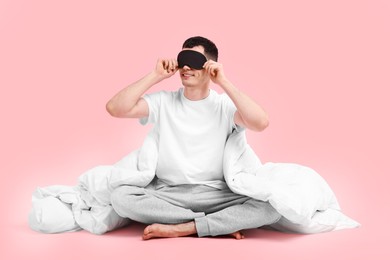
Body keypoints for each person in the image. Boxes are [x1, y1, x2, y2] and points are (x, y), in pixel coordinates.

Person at [106, 36, 281, 240]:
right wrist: (155, 75)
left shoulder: (223, 106)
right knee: (120, 198)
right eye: (183, 59)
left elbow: (261, 122)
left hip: (216, 194)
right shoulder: (164, 102)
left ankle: (185, 227)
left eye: (195, 61)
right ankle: (215, 224)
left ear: (209, 66)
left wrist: (223, 81)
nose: (186, 67)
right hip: (168, 193)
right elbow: (115, 108)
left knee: (272, 205)